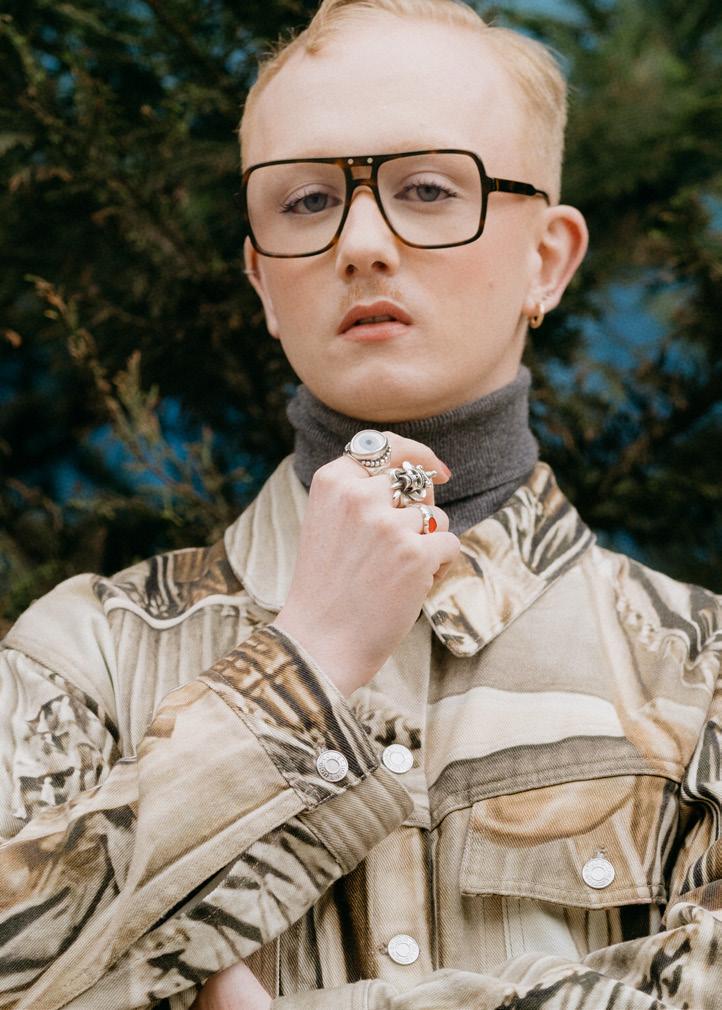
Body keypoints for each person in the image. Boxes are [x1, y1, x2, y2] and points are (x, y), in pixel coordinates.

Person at [1, 1, 721, 1009]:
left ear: (547, 259)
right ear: (261, 279)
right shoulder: (84, 660)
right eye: (305, 201)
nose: (363, 243)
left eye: (428, 189)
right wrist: (301, 668)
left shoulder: (699, 674)